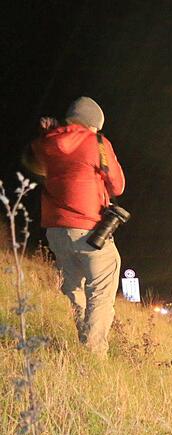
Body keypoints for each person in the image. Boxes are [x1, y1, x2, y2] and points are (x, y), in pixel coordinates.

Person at [29, 97, 125, 355]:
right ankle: (94, 352)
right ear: (93, 124)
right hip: (89, 230)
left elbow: (37, 165)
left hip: (56, 232)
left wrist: (49, 133)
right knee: (102, 290)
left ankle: (84, 338)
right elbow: (118, 186)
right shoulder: (98, 143)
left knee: (74, 288)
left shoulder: (46, 142)